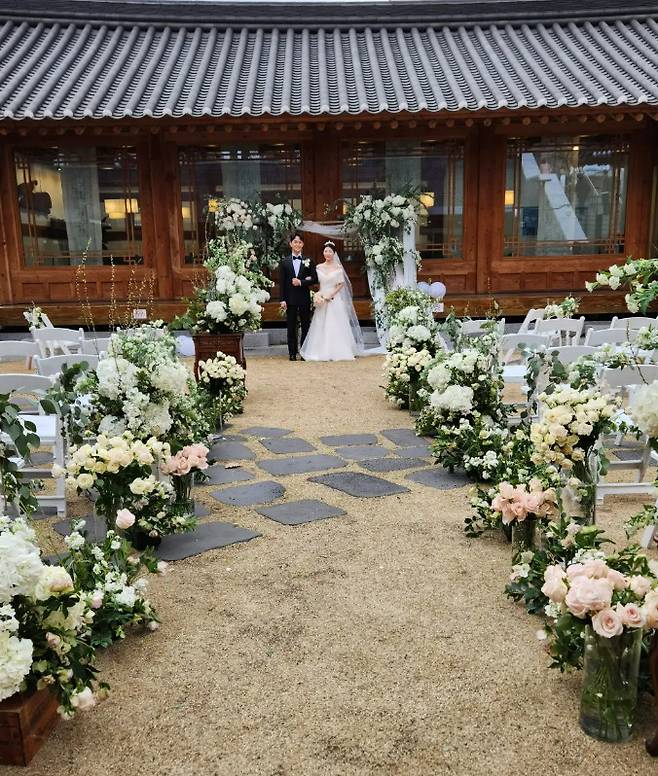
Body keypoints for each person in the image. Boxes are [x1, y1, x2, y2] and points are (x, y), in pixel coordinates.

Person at [299, 240, 364, 362]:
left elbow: (341, 284)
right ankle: (319, 351)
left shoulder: (338, 267)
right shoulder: (318, 267)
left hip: (334, 299)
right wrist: (318, 293)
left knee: (336, 324)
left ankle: (337, 350)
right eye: (325, 251)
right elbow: (314, 280)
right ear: (323, 253)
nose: (327, 253)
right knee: (320, 324)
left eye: (330, 251)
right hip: (322, 298)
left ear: (334, 253)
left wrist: (331, 294)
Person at [279, 232, 318, 361]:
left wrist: (302, 282)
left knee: (305, 325)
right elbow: (282, 283)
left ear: (303, 244)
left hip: (304, 298)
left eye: (300, 242)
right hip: (290, 299)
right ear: (291, 244)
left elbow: (315, 279)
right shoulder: (285, 262)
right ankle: (292, 352)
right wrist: (282, 299)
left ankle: (304, 351)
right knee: (291, 326)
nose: (297, 244)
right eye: (295, 242)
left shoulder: (309, 260)